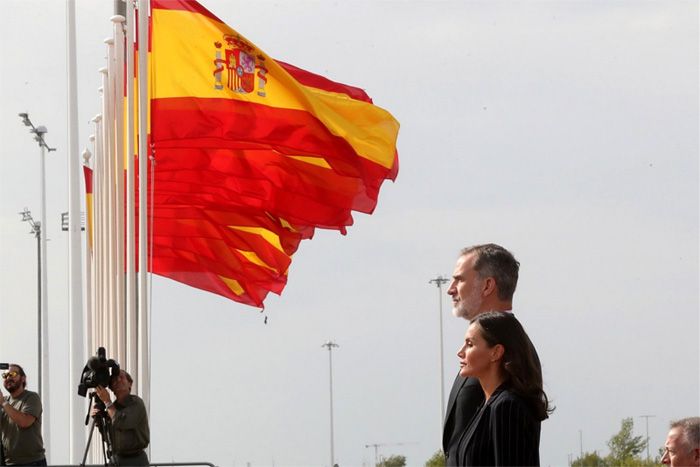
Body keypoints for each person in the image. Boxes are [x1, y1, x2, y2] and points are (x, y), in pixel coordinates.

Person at [442, 244, 520, 465]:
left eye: (460, 280)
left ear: (487, 286)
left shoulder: (510, 352)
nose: (450, 289)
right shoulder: (486, 349)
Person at [455, 311, 551, 466]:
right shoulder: (487, 406)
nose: (460, 352)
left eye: (470, 344)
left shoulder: (507, 406)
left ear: (496, 352)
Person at [94, 370, 150, 466]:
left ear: (130, 384)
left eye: (122, 377)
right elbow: (108, 438)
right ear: (112, 388)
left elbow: (122, 422)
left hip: (136, 460)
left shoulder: (136, 403)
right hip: (117, 460)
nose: (118, 380)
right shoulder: (111, 408)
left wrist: (107, 402)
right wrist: (98, 420)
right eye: (115, 379)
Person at [0, 364, 46, 466]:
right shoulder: (4, 401)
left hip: (32, 462)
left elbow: (24, 422)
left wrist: (3, 403)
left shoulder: (32, 397)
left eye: (12, 374)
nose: (8, 378)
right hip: (9, 462)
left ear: (23, 379)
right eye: (5, 375)